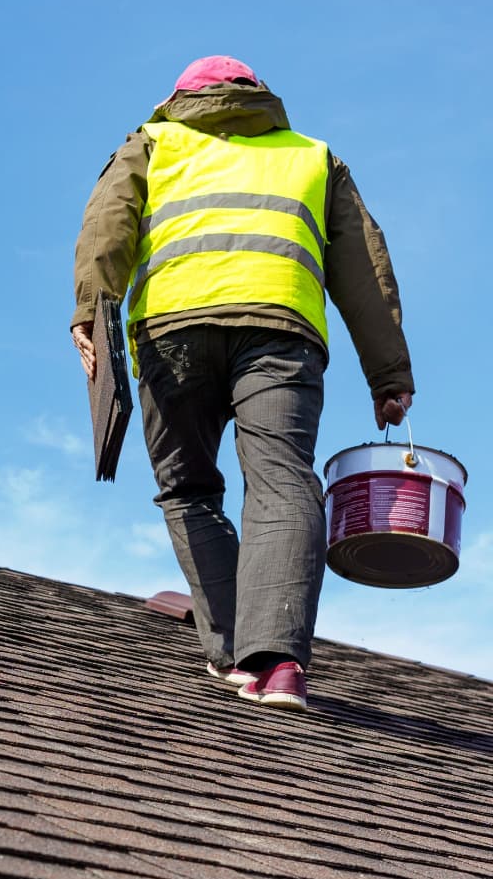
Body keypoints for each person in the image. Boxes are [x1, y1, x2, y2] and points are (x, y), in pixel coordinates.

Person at [71, 55, 414, 712]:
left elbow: (107, 223)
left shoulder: (154, 140)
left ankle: (230, 648)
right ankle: (277, 663)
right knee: (283, 482)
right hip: (281, 332)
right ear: (259, 96)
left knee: (190, 490)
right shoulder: (312, 157)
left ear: (180, 98)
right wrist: (388, 376)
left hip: (173, 333)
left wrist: (91, 309)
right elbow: (364, 269)